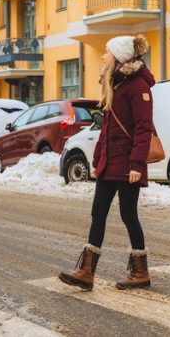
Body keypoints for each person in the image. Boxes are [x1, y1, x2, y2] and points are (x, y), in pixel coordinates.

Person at [59, 34, 154, 291]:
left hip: (127, 166)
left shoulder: (138, 87)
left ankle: (140, 271)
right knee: (97, 214)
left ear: (119, 57)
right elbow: (106, 129)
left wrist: (136, 164)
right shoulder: (116, 84)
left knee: (128, 215)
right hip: (110, 164)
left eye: (107, 52)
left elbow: (143, 129)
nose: (103, 56)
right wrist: (98, 158)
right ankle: (87, 272)